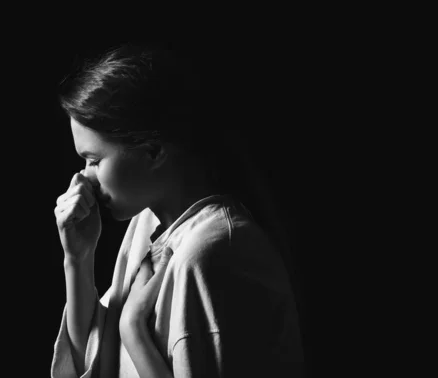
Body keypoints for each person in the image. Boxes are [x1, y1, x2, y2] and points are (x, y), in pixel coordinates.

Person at [51, 42, 305, 378]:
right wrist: (78, 258)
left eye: (95, 160)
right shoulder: (147, 225)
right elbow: (92, 365)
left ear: (154, 151)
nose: (85, 178)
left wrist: (134, 332)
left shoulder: (212, 253)